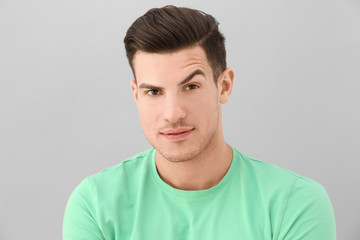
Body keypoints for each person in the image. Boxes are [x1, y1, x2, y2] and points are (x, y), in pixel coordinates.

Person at [63, 5, 336, 239]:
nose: (172, 114)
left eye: (191, 87)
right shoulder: (95, 205)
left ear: (224, 85)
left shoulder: (295, 204)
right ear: (136, 95)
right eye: (154, 92)